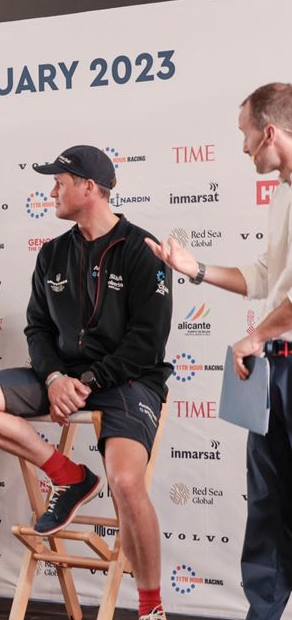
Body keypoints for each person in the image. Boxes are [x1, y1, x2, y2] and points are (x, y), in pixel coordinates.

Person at [0, 145, 172, 620]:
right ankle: (68, 475)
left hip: (128, 381)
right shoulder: (52, 253)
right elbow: (38, 329)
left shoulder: (143, 249)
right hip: (60, 378)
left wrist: (86, 381)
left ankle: (151, 608)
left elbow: (146, 343)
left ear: (89, 188)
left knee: (128, 482)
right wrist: (52, 377)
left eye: (61, 181)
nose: (52, 189)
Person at [146, 82, 292, 620]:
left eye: (245, 135)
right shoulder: (283, 192)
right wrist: (197, 269)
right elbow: (266, 279)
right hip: (275, 372)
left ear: (270, 132)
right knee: (268, 506)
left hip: (279, 357)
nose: (243, 147)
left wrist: (255, 336)